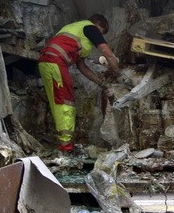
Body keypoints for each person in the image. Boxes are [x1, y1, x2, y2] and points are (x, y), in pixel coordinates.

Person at [38, 13, 121, 153]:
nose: (100, 35)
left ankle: (64, 144)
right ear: (98, 24)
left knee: (58, 102)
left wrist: (102, 83)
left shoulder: (74, 29)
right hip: (55, 62)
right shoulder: (89, 27)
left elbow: (82, 67)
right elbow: (108, 53)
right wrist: (119, 73)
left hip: (47, 62)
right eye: (102, 31)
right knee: (66, 102)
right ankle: (66, 147)